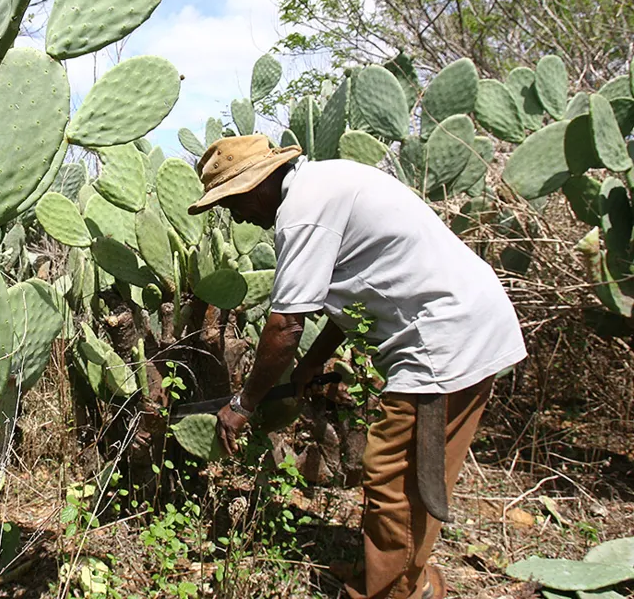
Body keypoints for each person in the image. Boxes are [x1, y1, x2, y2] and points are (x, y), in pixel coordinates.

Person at [187, 135, 525, 599]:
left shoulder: (302, 212)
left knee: (394, 476)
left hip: (442, 341)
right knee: (406, 475)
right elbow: (348, 297)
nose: (236, 216)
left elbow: (285, 324)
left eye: (231, 202)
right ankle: (393, 574)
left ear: (257, 185)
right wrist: (311, 365)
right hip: (461, 324)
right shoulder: (325, 183)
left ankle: (395, 591)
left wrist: (243, 404)